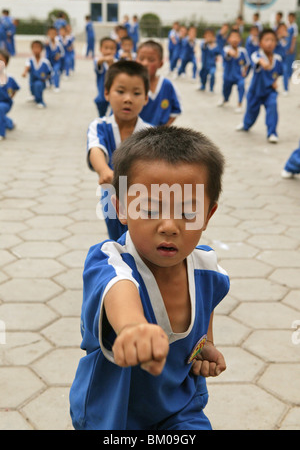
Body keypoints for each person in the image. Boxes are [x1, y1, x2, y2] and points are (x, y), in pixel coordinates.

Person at [69, 125, 230, 430]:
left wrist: (205, 341)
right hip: (111, 414)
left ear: (208, 214)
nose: (169, 225)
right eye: (151, 208)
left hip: (181, 410)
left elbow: (208, 300)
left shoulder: (207, 268)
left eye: (187, 210)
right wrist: (133, 328)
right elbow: (120, 290)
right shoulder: (109, 260)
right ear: (121, 208)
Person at [87, 60, 150, 240]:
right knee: (118, 241)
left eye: (136, 93)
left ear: (146, 98)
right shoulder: (99, 126)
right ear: (107, 93)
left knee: (141, 240)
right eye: (120, 92)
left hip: (144, 196)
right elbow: (96, 149)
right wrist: (104, 170)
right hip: (112, 194)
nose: (128, 99)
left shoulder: (150, 132)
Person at [236, 29, 283, 144]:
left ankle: (272, 133)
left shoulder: (278, 59)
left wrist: (275, 81)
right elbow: (256, 60)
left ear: (276, 43)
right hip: (255, 92)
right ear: (260, 43)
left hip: (269, 92)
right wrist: (262, 62)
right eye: (266, 40)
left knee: (273, 106)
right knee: (251, 112)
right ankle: (246, 125)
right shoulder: (256, 55)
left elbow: (277, 73)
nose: (270, 43)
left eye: (272, 40)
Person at [136, 40, 182, 126]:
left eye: (151, 60)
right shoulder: (131, 84)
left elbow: (176, 110)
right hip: (135, 136)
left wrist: (163, 130)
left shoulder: (167, 85)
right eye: (141, 59)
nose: (145, 63)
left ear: (160, 64)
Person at [218, 29, 250, 112]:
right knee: (226, 90)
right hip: (228, 76)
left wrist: (245, 72)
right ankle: (225, 99)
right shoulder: (226, 49)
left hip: (238, 76)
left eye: (237, 37)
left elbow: (247, 63)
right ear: (228, 40)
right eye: (233, 37)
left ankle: (239, 104)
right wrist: (231, 53)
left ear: (240, 40)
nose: (235, 39)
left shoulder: (243, 51)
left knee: (241, 85)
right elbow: (228, 54)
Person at [22, 40, 52, 109]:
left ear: (41, 49)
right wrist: (24, 72)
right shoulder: (29, 60)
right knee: (33, 89)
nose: (36, 50)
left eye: (38, 48)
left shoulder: (45, 62)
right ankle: (34, 97)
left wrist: (47, 81)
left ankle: (41, 102)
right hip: (32, 81)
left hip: (41, 81)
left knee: (38, 86)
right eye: (34, 48)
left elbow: (49, 73)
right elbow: (27, 66)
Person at [94, 37, 117, 118]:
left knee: (115, 110)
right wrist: (105, 59)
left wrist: (111, 62)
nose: (109, 51)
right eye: (106, 48)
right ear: (100, 49)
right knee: (100, 104)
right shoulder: (99, 61)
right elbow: (98, 62)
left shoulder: (117, 62)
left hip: (115, 91)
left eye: (112, 48)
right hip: (102, 91)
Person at [0, 49, 20, 140]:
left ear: (6, 63)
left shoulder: (10, 78)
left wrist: (10, 97)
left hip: (5, 103)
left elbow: (15, 89)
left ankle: (1, 133)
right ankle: (9, 122)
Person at [45, 26, 65, 93]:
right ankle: (50, 83)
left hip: (56, 62)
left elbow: (63, 53)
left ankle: (57, 86)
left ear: (56, 34)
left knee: (56, 71)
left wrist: (59, 55)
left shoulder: (59, 43)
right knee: (49, 73)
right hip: (49, 61)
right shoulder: (47, 43)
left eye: (53, 33)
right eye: (50, 33)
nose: (52, 35)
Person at [275, 22, 290, 95]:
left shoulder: (286, 38)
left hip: (283, 60)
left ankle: (286, 89)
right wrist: (280, 36)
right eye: (282, 29)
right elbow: (275, 40)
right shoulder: (276, 37)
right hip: (276, 60)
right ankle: (273, 88)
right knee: (274, 75)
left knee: (285, 72)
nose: (283, 30)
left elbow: (286, 46)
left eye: (284, 29)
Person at [286, 12, 299, 91]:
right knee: (287, 61)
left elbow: (294, 37)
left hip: (291, 46)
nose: (289, 19)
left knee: (290, 61)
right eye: (288, 17)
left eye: (291, 17)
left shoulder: (294, 26)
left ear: (293, 18)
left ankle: (290, 75)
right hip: (287, 45)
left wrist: (292, 47)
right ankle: (287, 74)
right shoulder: (288, 25)